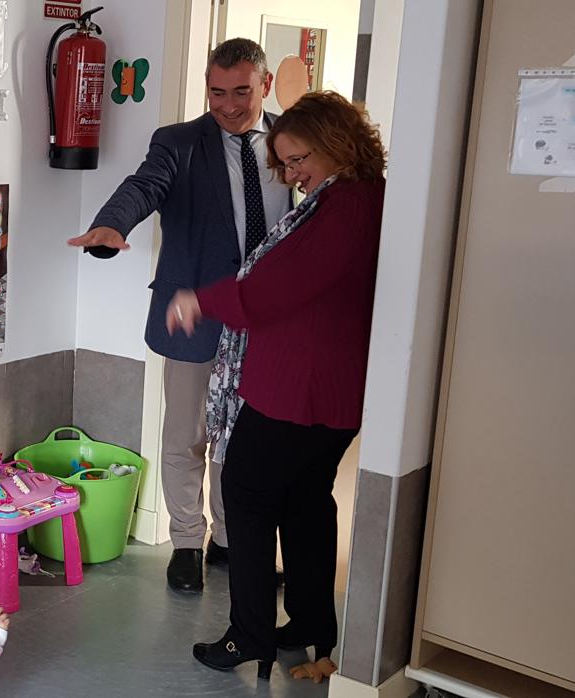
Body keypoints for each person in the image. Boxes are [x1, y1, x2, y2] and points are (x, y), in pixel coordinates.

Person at [165, 91, 387, 681]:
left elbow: (274, 290)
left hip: (300, 388)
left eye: (298, 159)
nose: (291, 175)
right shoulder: (360, 198)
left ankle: (249, 636)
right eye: (284, 165)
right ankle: (310, 625)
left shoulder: (346, 208)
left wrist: (201, 299)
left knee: (248, 495)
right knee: (306, 504)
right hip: (327, 390)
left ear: (336, 142)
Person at [69, 38, 291, 593]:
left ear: (264, 84)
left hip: (268, 323)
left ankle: (230, 540)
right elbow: (145, 186)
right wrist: (112, 225)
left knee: (244, 441)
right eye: (218, 93)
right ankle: (188, 542)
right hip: (195, 316)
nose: (230, 105)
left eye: (242, 91)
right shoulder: (179, 142)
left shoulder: (293, 140)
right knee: (187, 436)